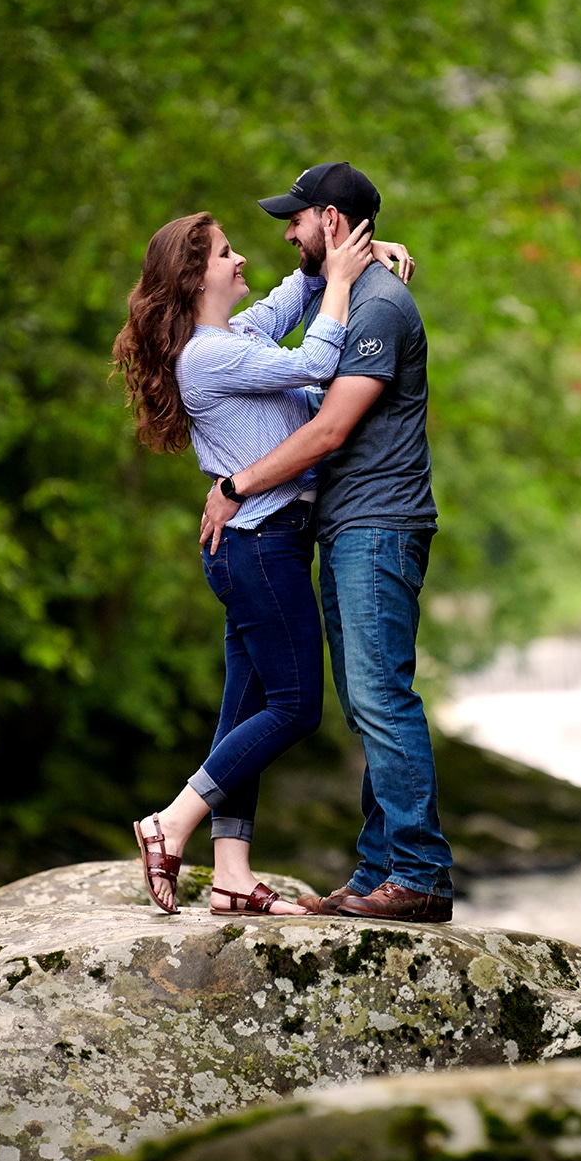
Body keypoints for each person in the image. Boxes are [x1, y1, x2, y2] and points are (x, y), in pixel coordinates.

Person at [112, 207, 411, 916]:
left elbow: (298, 292)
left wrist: (350, 254)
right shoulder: (208, 355)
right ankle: (171, 822)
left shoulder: (236, 333)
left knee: (244, 708)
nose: (241, 259)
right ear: (194, 279)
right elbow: (317, 361)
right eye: (224, 254)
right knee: (297, 707)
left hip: (257, 545)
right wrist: (343, 277)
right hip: (261, 547)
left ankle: (231, 875)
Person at [201, 162, 454, 922]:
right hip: (351, 526)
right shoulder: (351, 291)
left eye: (297, 219)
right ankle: (381, 868)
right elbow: (302, 316)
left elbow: (331, 428)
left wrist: (235, 487)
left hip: (380, 523)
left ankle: (419, 875)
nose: (286, 233)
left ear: (332, 223)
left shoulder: (378, 307)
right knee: (367, 701)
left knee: (381, 698)